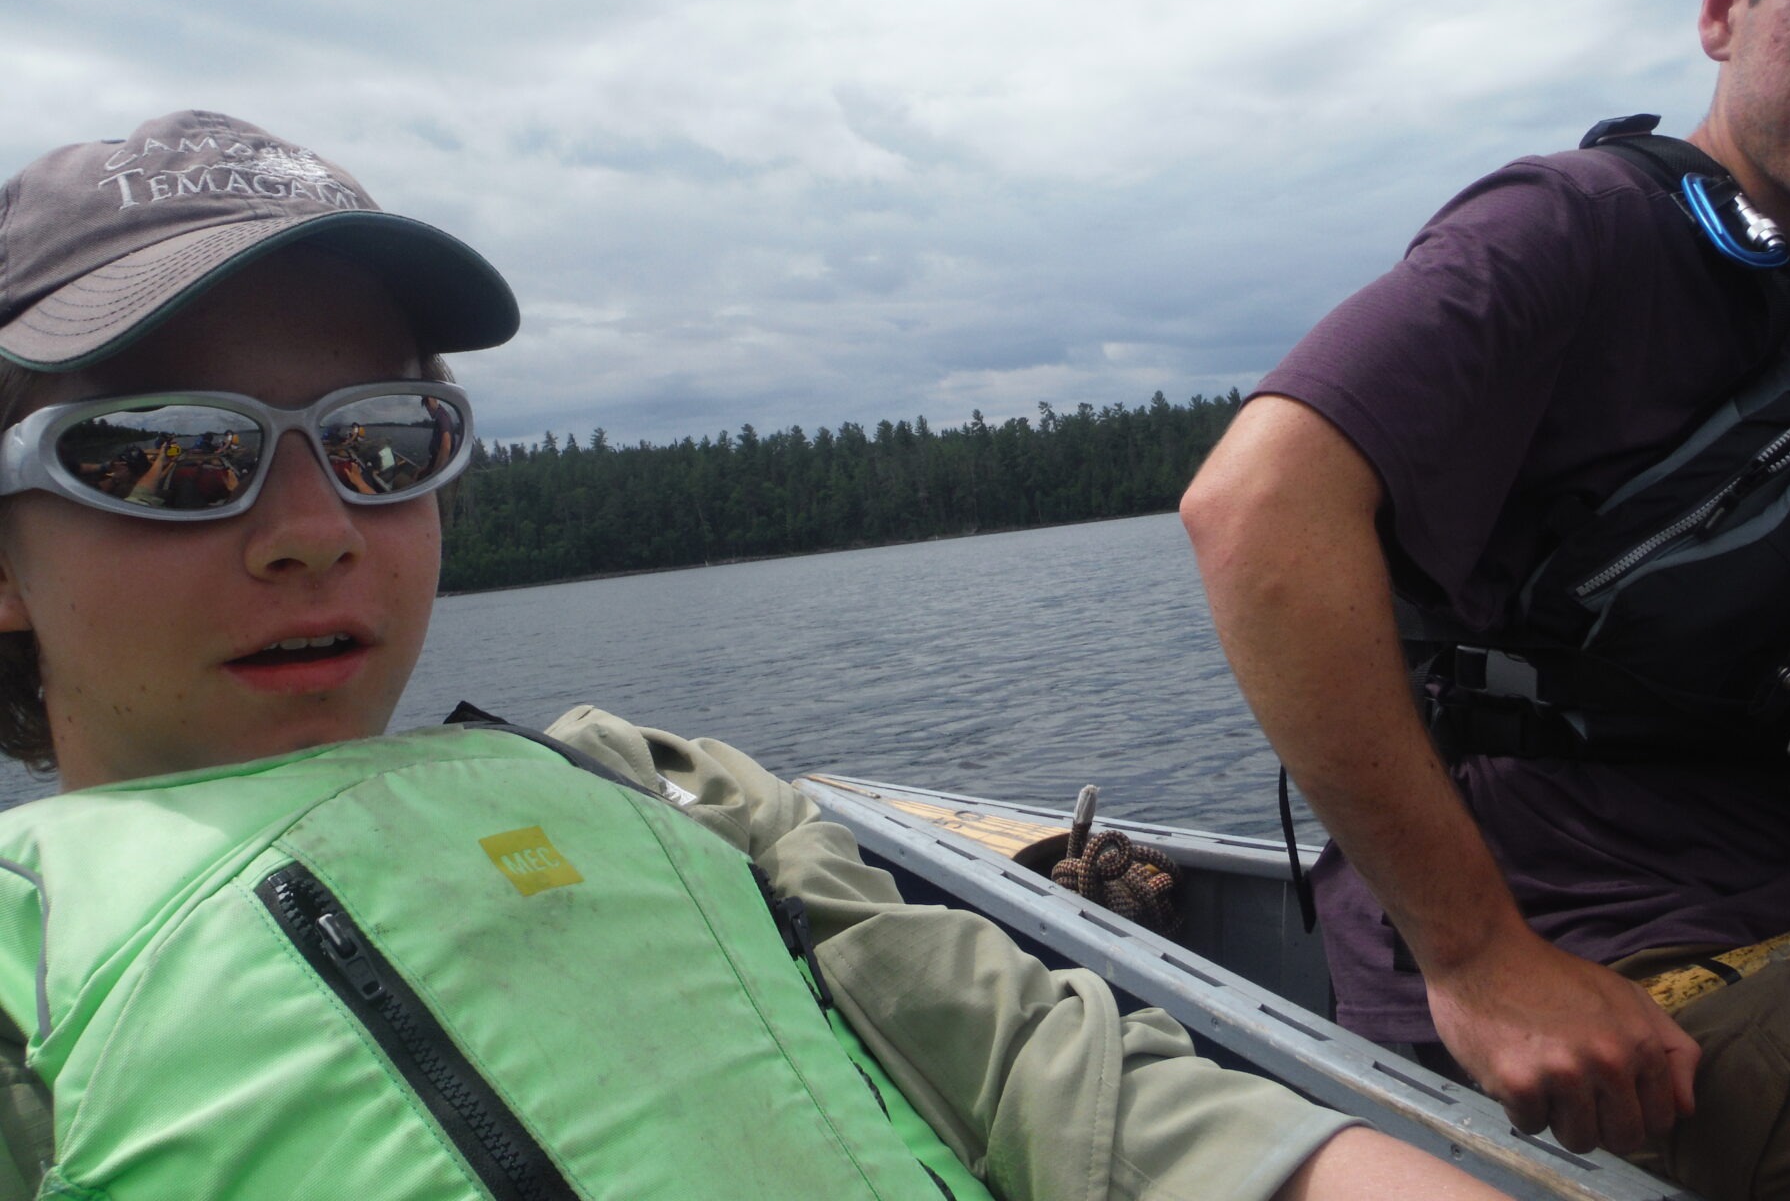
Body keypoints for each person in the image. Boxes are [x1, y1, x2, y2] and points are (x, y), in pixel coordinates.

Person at [0, 110, 1502, 1200]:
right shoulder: (25, 974)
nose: (318, 527)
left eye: (387, 441)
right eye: (175, 455)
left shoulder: (671, 794)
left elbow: (1033, 1062)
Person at [1183, 0, 1790, 1200]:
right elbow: (1256, 509)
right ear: (1725, 8)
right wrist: (1483, 961)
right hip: (1603, 967)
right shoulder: (1568, 233)